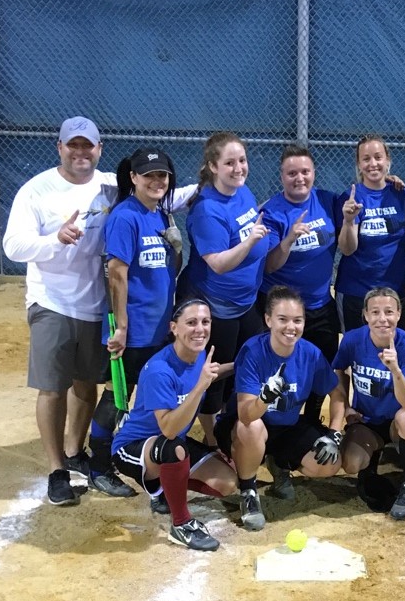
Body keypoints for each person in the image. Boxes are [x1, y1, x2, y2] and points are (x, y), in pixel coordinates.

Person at [1, 116, 118, 506]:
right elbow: (13, 246)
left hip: (94, 304)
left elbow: (162, 191)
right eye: (73, 145)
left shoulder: (110, 187)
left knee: (86, 385)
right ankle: (56, 471)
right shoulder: (37, 190)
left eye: (88, 145)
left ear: (99, 149)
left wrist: (206, 186)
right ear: (60, 148)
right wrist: (55, 239)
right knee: (52, 388)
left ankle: (73, 452)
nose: (80, 152)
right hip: (51, 301)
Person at [84, 148, 186, 499]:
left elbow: (167, 270)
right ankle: (99, 467)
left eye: (162, 175)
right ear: (133, 178)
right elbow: (117, 274)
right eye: (149, 175)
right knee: (117, 396)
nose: (157, 181)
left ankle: (139, 456)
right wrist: (122, 327)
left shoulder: (161, 214)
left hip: (159, 327)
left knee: (150, 396)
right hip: (134, 328)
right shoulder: (125, 217)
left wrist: (177, 249)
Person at [214, 286, 344, 531]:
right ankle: (248, 491)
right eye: (282, 319)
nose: (290, 327)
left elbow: (337, 394)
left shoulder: (311, 354)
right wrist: (264, 397)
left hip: (286, 426)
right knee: (252, 428)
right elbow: (245, 415)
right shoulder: (253, 351)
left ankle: (279, 464)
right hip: (244, 425)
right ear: (268, 320)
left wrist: (334, 434)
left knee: (328, 463)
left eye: (297, 320)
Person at [112, 299, 237, 551]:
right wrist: (201, 385)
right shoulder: (159, 370)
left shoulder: (199, 355)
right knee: (173, 449)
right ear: (174, 328)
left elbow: (209, 374)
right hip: (134, 447)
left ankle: (163, 490)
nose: (200, 329)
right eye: (191, 323)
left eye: (205, 322)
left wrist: (240, 365)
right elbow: (168, 429)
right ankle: (181, 524)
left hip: (171, 441)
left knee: (227, 483)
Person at [180, 132, 269, 446]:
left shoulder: (241, 191)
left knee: (245, 366)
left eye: (242, 160)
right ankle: (212, 440)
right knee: (216, 374)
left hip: (246, 301)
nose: (239, 168)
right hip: (217, 305)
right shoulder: (207, 209)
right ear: (213, 166)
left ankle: (233, 427)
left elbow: (244, 220)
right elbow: (217, 263)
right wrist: (251, 241)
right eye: (229, 163)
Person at [259, 145, 340, 422]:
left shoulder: (327, 200)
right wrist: (289, 239)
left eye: (305, 171)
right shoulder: (273, 212)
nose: (299, 178)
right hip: (283, 308)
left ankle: (312, 418)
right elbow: (269, 264)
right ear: (282, 176)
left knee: (324, 363)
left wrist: (388, 179)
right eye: (292, 173)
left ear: (314, 172)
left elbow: (364, 195)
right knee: (281, 367)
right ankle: (276, 422)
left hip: (319, 303)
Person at [330, 288, 405, 520]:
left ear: (399, 314)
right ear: (365, 314)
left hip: (396, 421)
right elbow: (339, 369)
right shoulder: (353, 340)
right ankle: (370, 468)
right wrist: (346, 405)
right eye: (375, 312)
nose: (382, 319)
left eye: (389, 312)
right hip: (366, 420)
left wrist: (395, 370)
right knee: (351, 463)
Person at [336, 135, 405, 333]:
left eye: (378, 157)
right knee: (356, 349)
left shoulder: (401, 195)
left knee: (396, 348)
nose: (373, 164)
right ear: (358, 164)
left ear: (388, 160)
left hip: (393, 293)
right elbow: (347, 249)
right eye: (366, 159)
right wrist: (348, 221)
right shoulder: (351, 198)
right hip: (356, 292)